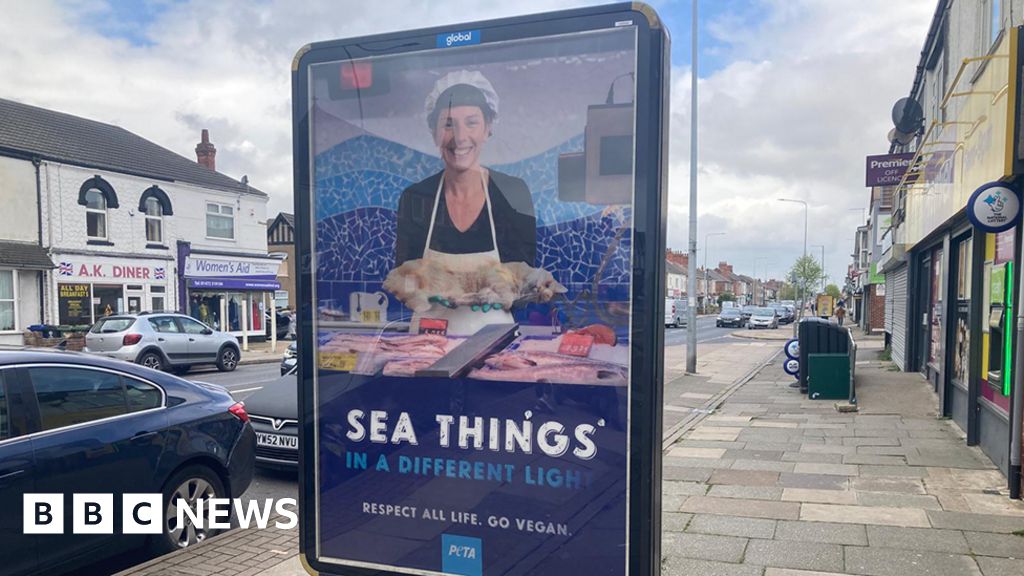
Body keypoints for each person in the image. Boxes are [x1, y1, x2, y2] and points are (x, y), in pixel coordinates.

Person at [394, 70, 537, 335]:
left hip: (496, 346)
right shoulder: (415, 198)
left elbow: (525, 278)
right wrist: (418, 291)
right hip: (425, 348)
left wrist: (503, 291)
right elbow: (404, 276)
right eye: (448, 124)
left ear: (488, 127)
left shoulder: (513, 193)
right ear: (433, 131)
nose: (460, 137)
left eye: (471, 122)